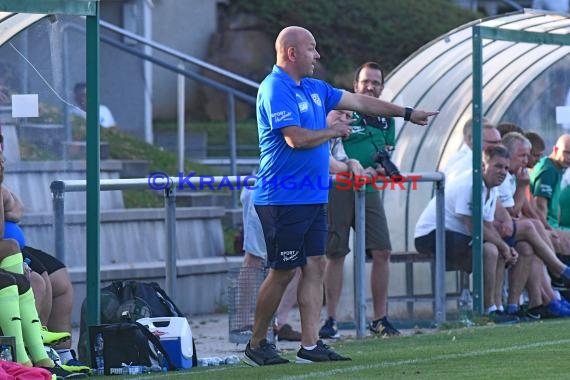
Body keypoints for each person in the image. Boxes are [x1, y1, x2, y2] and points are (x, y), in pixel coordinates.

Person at [244, 25, 437, 366]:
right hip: (281, 198)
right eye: (311, 48)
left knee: (315, 265)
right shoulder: (275, 88)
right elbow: (295, 139)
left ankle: (310, 344)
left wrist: (407, 113)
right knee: (283, 271)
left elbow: (361, 101)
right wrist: (331, 130)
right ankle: (257, 343)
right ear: (292, 53)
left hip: (313, 198)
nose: (317, 55)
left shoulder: (316, 88)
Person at [320, 62, 400, 340]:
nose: (370, 86)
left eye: (376, 82)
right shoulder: (343, 109)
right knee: (336, 252)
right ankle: (331, 319)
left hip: (368, 188)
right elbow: (328, 141)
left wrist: (378, 169)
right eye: (366, 82)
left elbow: (387, 152)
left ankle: (379, 319)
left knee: (382, 251)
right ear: (356, 86)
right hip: (339, 185)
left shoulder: (386, 118)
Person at [415, 145, 519, 322]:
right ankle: (487, 310)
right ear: (483, 165)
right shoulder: (470, 184)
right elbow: (473, 226)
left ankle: (498, 307)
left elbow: (487, 225)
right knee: (491, 250)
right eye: (498, 166)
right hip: (431, 235)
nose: (503, 172)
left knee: (499, 251)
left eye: (506, 168)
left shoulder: (491, 188)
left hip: (454, 235)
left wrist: (506, 248)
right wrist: (503, 246)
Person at [238, 186, 302, 341]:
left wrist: (350, 164)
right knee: (254, 257)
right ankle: (245, 325)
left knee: (298, 259)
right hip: (266, 192)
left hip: (296, 194)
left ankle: (280, 324)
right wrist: (346, 166)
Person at [530, 134, 570, 231]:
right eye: (567, 153)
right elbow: (539, 205)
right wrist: (547, 233)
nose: (569, 157)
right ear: (555, 150)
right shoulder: (549, 170)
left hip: (554, 225)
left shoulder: (557, 168)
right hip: (548, 227)